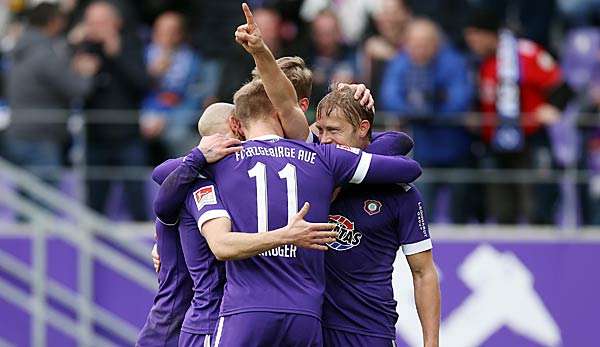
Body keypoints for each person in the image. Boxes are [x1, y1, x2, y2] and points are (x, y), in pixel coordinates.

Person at [464, 8, 574, 224]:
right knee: (502, 210)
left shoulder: (525, 53)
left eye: (476, 37)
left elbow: (563, 87)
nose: (472, 43)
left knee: (536, 207)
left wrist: (552, 108)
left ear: (489, 34)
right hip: (495, 145)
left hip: (530, 140)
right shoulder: (478, 62)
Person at [380, 18, 475, 223]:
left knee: (460, 216)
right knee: (422, 214)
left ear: (436, 44)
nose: (419, 50)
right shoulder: (401, 62)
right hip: (422, 152)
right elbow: (389, 96)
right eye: (414, 45)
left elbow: (461, 99)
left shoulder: (453, 62)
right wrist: (417, 112)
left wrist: (431, 113)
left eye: (424, 45)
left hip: (456, 148)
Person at [74, 1, 151, 220]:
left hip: (127, 135)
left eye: (100, 22)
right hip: (95, 136)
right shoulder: (83, 48)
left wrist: (117, 54)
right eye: (91, 23)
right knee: (94, 204)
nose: (95, 28)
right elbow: (72, 88)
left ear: (116, 23)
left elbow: (142, 84)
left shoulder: (130, 44)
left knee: (137, 199)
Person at [5, 2, 97, 179]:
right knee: (42, 201)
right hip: (41, 138)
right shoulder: (45, 54)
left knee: (27, 200)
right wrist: (86, 73)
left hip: (18, 133)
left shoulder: (22, 48)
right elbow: (77, 89)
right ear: (53, 22)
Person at [141, 11, 205, 159]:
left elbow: (193, 95)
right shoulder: (143, 56)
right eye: (161, 31)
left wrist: (166, 117)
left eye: (172, 31)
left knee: (179, 136)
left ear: (180, 34)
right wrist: (152, 74)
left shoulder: (192, 59)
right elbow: (137, 90)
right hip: (145, 113)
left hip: (178, 115)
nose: (166, 36)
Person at [307, 9, 357, 110]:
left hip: (346, 109)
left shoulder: (352, 53)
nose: (325, 40)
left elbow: (362, 79)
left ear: (339, 32)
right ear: (313, 35)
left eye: (329, 33)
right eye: (320, 33)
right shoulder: (306, 56)